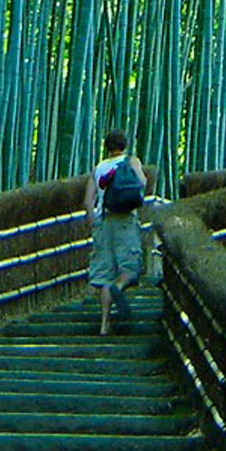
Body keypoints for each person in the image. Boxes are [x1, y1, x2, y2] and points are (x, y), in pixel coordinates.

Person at [84, 130, 147, 335]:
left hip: (104, 221)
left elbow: (88, 201)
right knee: (130, 267)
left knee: (105, 275)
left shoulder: (99, 168)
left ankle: (104, 324)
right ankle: (119, 288)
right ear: (125, 145)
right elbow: (142, 183)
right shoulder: (131, 161)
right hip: (125, 220)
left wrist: (94, 223)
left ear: (107, 147)